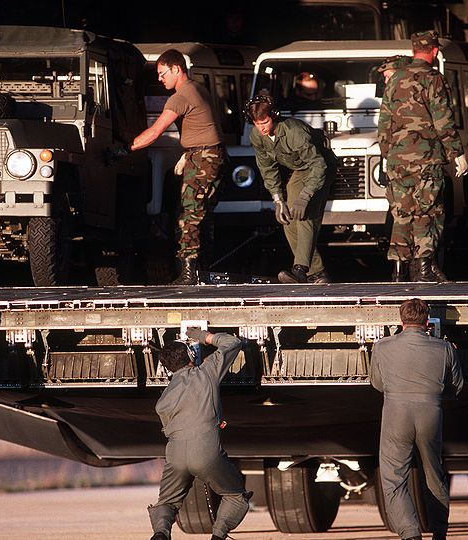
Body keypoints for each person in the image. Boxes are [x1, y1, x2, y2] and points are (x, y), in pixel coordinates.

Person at [130, 49, 226, 285]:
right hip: (210, 155)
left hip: (204, 158)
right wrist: (188, 154)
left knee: (189, 215)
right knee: (203, 215)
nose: (160, 79)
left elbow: (154, 132)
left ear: (176, 69)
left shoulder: (180, 96)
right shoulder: (199, 89)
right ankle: (203, 269)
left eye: (163, 73)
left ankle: (188, 273)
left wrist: (124, 149)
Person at [377, 31, 467, 282]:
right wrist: (457, 153)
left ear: (414, 49)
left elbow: (383, 122)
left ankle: (397, 270)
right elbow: (443, 120)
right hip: (426, 159)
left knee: (402, 213)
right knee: (429, 212)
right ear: (435, 51)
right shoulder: (433, 78)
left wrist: (386, 155)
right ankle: (425, 269)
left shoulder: (394, 79)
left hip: (397, 161)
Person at [370, 298, 463, 540]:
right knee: (434, 474)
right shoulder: (444, 348)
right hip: (431, 412)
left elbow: (377, 383)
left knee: (394, 477)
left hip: (396, 412)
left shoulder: (382, 346)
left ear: (401, 321)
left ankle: (410, 532)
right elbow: (456, 387)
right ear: (426, 321)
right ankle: (440, 532)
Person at [148, 328, 251, 540]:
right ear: (191, 356)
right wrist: (202, 336)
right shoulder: (206, 373)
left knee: (166, 502)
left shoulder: (163, 399)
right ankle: (218, 535)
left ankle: (161, 532)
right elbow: (232, 343)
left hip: (175, 456)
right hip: (206, 454)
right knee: (235, 496)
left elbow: (170, 428)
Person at [245, 95, 337, 283]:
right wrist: (278, 200)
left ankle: (300, 268)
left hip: (321, 167)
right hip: (300, 170)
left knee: (303, 214)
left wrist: (305, 196)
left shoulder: (294, 131)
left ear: (274, 116)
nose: (261, 127)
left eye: (265, 122)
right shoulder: (257, 136)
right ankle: (317, 272)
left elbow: (318, 164)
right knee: (287, 219)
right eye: (257, 123)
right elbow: (267, 168)